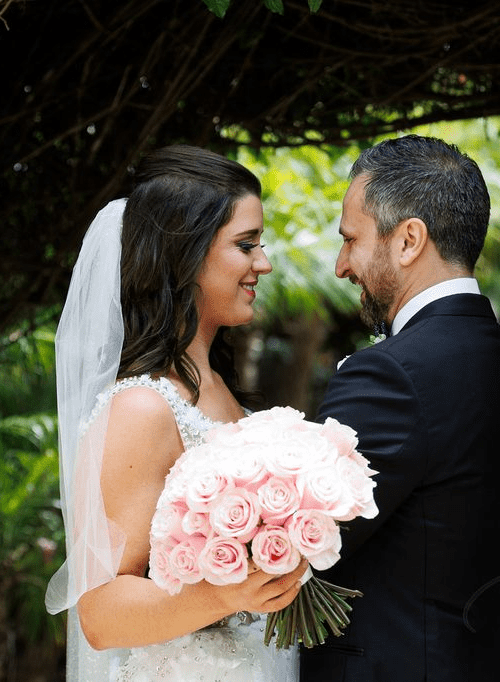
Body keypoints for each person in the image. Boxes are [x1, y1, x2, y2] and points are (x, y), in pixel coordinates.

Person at [298, 135, 500, 681]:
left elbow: (304, 544)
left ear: (409, 239)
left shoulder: (388, 374)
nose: (342, 265)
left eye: (351, 239)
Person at [46, 145, 306, 681]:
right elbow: (100, 612)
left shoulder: (221, 390)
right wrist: (225, 592)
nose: (264, 262)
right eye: (246, 244)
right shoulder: (142, 408)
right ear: (187, 254)